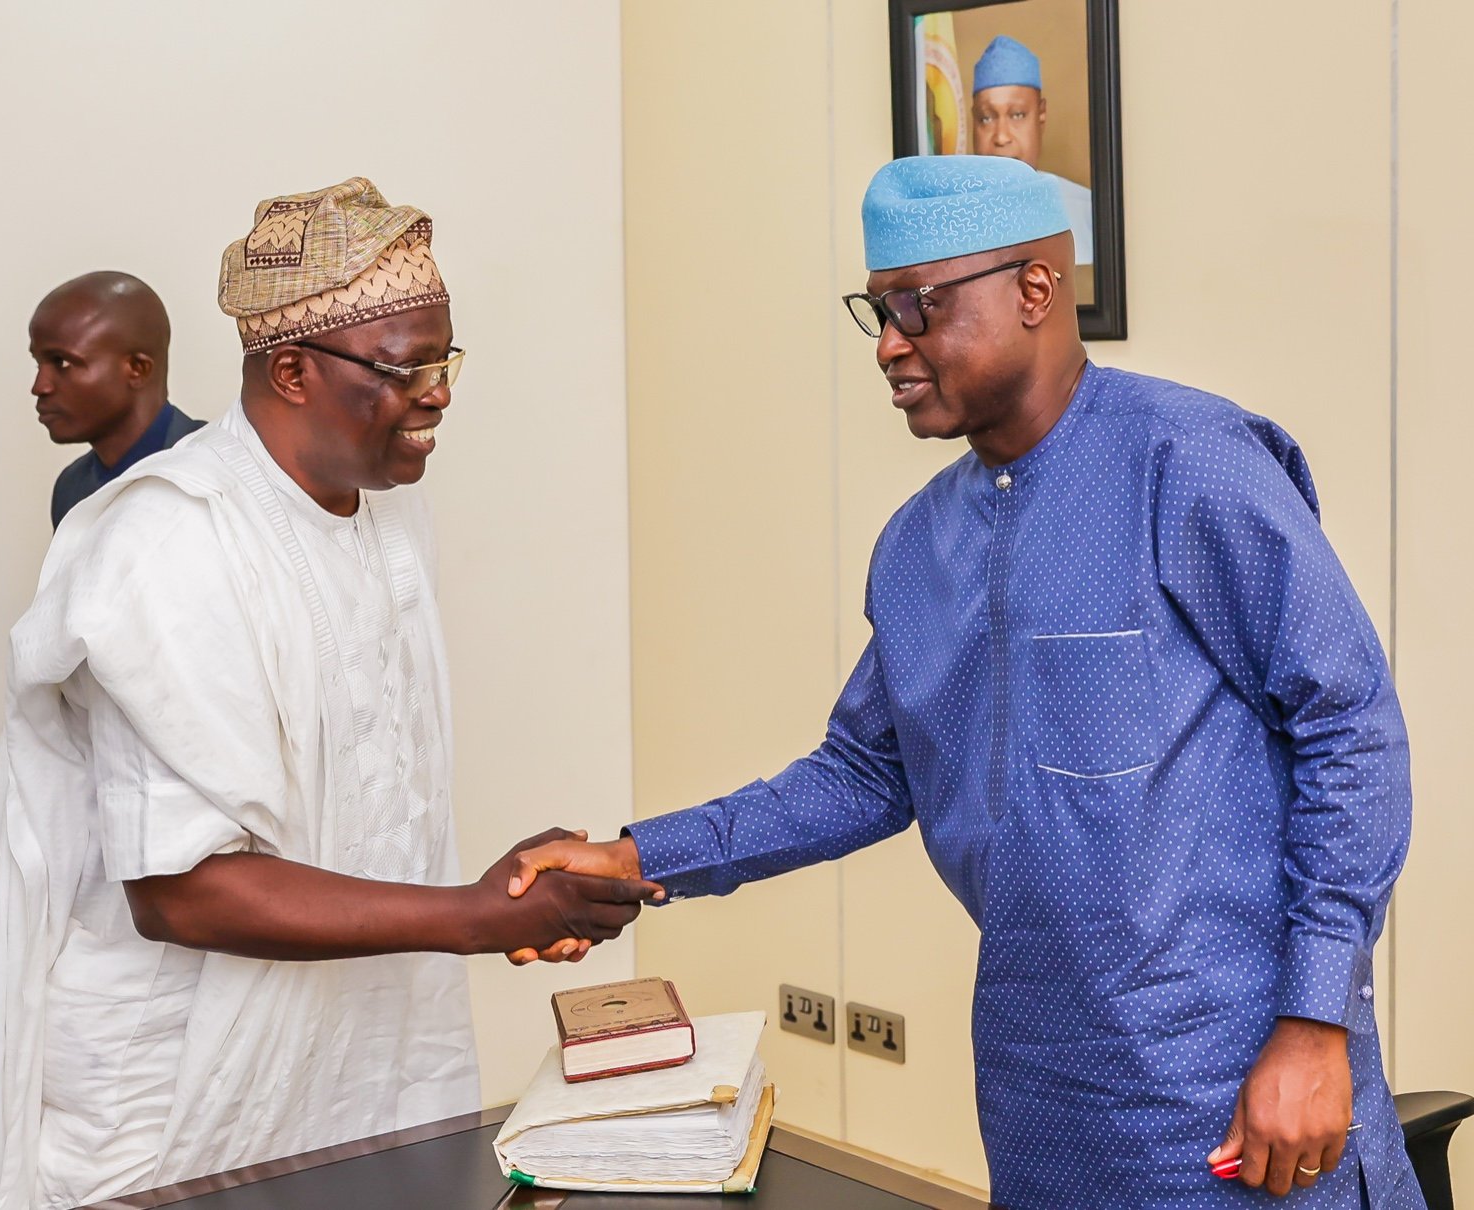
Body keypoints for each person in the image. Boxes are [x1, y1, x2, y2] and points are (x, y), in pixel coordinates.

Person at [505, 157, 1425, 1208]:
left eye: (919, 306)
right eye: (877, 310)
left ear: (1034, 289)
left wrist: (1313, 1022)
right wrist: (636, 858)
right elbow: (863, 772)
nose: (888, 344)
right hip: (1041, 1086)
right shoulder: (915, 547)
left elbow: (1349, 729)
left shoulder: (1188, 463)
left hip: (1237, 1076)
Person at [0, 178, 658, 1210]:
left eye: (443, 362)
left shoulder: (390, 513)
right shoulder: (167, 542)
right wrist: (475, 915)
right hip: (175, 1086)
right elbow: (180, 890)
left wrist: (509, 892)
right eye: (405, 367)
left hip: (357, 1053)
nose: (436, 393)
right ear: (293, 371)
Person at [31, 271, 207, 528]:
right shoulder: (71, 488)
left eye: (62, 362)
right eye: (39, 363)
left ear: (137, 369)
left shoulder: (215, 472)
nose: (40, 386)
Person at [969, 34, 1094, 266]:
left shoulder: (1088, 213)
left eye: (1017, 115)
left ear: (1041, 114)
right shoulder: (952, 220)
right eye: (986, 118)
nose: (1001, 137)